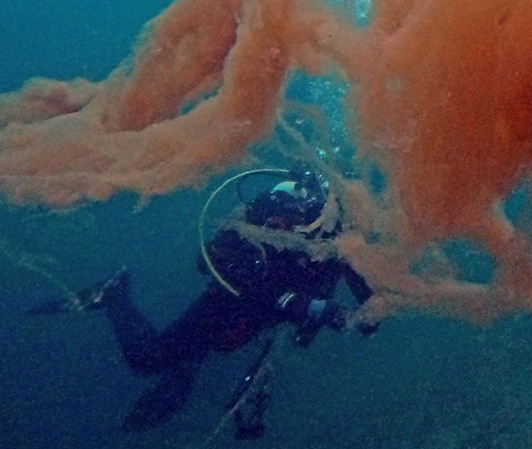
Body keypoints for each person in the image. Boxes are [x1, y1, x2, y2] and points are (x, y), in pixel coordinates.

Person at [28, 165, 373, 433]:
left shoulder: (342, 236)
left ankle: (185, 367)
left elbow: (360, 280)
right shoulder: (290, 209)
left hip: (253, 318)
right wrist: (308, 306)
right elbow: (226, 262)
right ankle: (115, 295)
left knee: (217, 346)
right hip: (226, 304)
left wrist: (371, 311)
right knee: (146, 359)